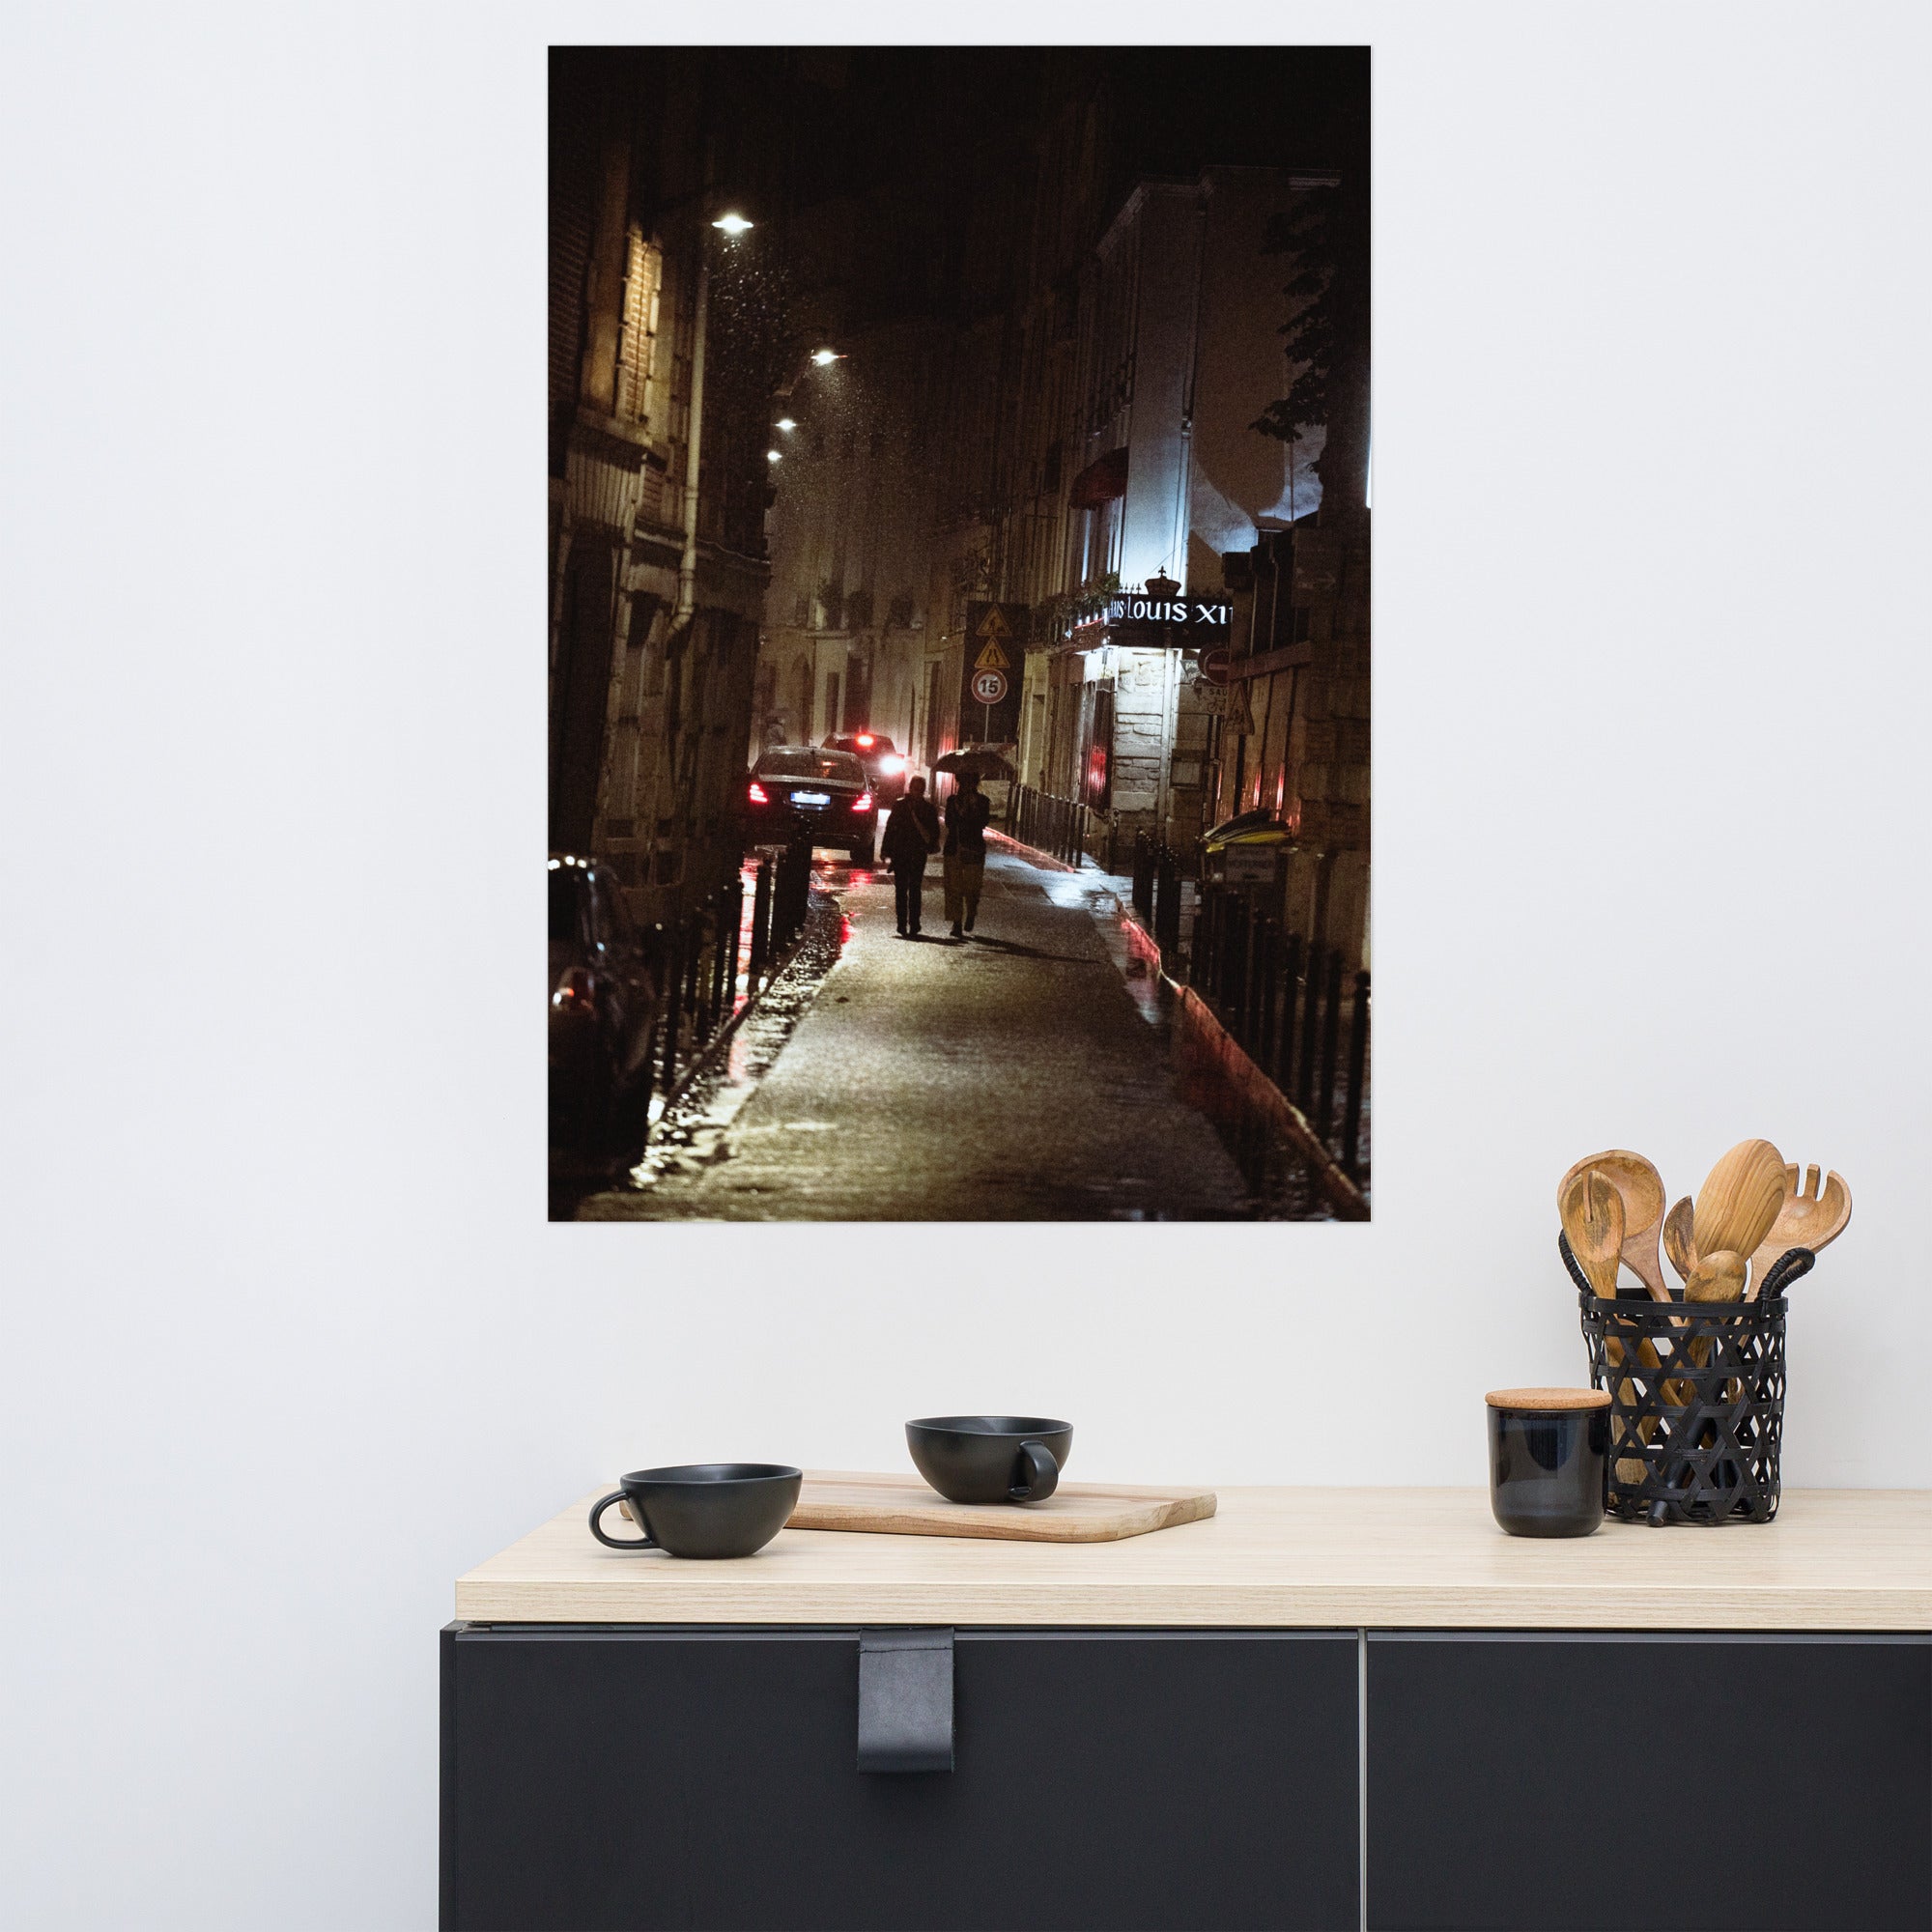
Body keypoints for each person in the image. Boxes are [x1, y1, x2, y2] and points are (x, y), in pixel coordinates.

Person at [880, 776, 940, 936]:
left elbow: (934, 832)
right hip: (902, 852)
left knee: (913, 888)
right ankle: (903, 922)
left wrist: (886, 849)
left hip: (916, 852)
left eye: (920, 790)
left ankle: (913, 922)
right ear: (910, 788)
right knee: (904, 889)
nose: (917, 792)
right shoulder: (901, 806)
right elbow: (890, 828)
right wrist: (885, 849)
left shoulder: (926, 809)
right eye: (916, 789)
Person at [943, 769, 992, 938]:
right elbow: (949, 822)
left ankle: (971, 913)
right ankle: (956, 923)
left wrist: (973, 808)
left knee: (972, 888)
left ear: (975, 785)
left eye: (969, 784)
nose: (964, 788)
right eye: (962, 784)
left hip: (974, 848)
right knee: (954, 887)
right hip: (954, 848)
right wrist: (961, 809)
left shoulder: (983, 801)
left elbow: (983, 822)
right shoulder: (952, 801)